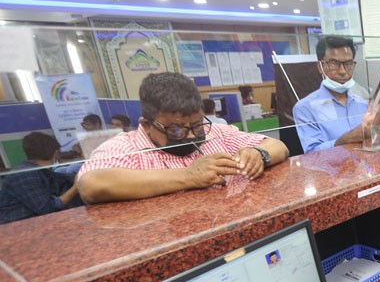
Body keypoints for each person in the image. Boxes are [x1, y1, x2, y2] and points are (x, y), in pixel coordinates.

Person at [76, 72, 288, 204]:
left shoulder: (216, 134)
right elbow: (91, 185)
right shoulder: (126, 147)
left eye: (196, 126)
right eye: (176, 130)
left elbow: (277, 146)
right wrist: (189, 176)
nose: (190, 135)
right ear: (147, 125)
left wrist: (258, 154)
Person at [293, 35, 372, 153]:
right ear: (320, 67)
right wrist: (344, 140)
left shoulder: (362, 103)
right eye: (333, 64)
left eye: (348, 64)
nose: (342, 71)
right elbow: (311, 153)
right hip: (330, 170)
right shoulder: (305, 108)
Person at [0, 132, 81, 224]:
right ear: (55, 153)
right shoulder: (25, 174)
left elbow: (60, 178)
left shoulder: (35, 169)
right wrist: (76, 188)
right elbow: (49, 208)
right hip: (17, 226)